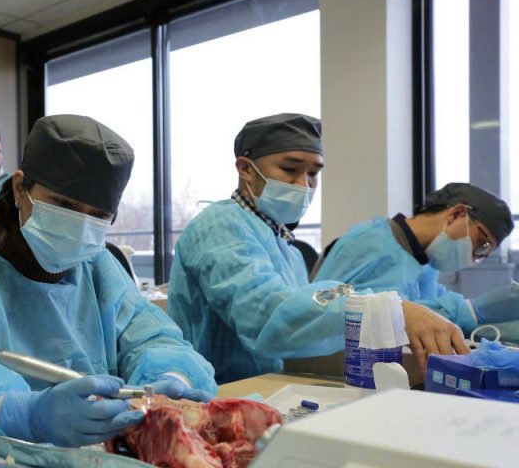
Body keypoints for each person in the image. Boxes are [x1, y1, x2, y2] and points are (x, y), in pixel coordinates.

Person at [0, 114, 216, 457]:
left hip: (99, 462)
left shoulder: (98, 267)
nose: (79, 228)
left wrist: (173, 378)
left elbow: (155, 338)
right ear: (19, 188)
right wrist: (20, 413)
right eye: (64, 205)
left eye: (98, 216)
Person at [168, 113, 468, 383]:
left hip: (264, 386)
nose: (304, 185)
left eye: (313, 173)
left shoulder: (287, 248)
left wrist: (374, 300)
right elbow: (267, 315)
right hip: (215, 392)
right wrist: (387, 308)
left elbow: (315, 299)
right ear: (246, 169)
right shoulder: (219, 226)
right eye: (290, 169)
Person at [314, 182, 516, 331]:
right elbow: (323, 304)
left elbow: (432, 314)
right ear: (456, 214)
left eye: (484, 254)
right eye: (482, 244)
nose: (474, 258)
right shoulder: (369, 243)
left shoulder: (424, 265)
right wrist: (471, 310)